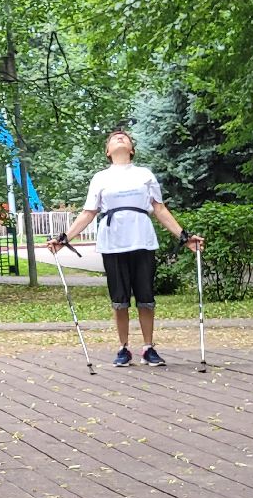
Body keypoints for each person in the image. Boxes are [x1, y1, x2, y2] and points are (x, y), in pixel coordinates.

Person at [47, 128, 203, 367]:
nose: (120, 138)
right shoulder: (100, 178)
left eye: (125, 137)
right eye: (113, 138)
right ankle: (123, 348)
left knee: (146, 297)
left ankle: (149, 348)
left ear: (131, 149)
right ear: (108, 151)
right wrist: (64, 238)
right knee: (119, 299)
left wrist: (184, 236)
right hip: (113, 243)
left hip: (142, 241)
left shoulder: (144, 174)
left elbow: (159, 209)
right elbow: (88, 213)